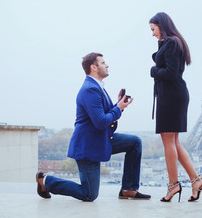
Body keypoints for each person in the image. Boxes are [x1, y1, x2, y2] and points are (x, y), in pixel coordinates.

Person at [36, 52, 151, 201]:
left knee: (135, 142)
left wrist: (118, 105)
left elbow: (104, 116)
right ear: (93, 67)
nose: (107, 65)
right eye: (103, 63)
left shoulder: (97, 87)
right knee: (89, 195)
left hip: (100, 140)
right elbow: (101, 122)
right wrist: (118, 108)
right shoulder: (90, 89)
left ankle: (128, 189)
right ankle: (45, 181)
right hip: (88, 147)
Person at [149, 12, 202, 202]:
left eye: (153, 29)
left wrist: (153, 71)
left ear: (161, 26)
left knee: (169, 141)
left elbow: (171, 73)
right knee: (174, 142)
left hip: (171, 96)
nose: (152, 34)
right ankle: (196, 181)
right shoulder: (172, 42)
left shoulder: (172, 43)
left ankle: (173, 185)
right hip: (173, 95)